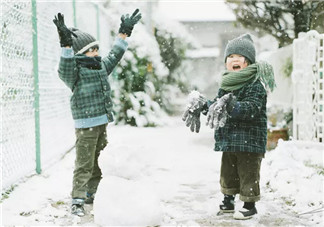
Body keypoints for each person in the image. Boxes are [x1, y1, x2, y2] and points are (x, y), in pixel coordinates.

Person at [53, 9, 141, 216]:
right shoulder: (74, 73)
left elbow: (114, 55)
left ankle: (93, 192)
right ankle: (77, 198)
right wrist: (66, 45)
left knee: (99, 158)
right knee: (84, 162)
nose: (96, 53)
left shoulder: (100, 66)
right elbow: (65, 67)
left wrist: (123, 34)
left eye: (96, 48)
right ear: (79, 54)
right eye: (91, 50)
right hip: (85, 125)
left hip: (101, 122)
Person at [182, 34, 275, 220]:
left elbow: (251, 109)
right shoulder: (226, 85)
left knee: (248, 173)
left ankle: (249, 204)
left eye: (239, 56)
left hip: (250, 140)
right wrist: (203, 105)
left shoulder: (255, 85)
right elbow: (218, 105)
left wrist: (233, 105)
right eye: (230, 57)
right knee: (228, 171)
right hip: (230, 138)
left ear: (248, 62)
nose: (234, 60)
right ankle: (228, 199)